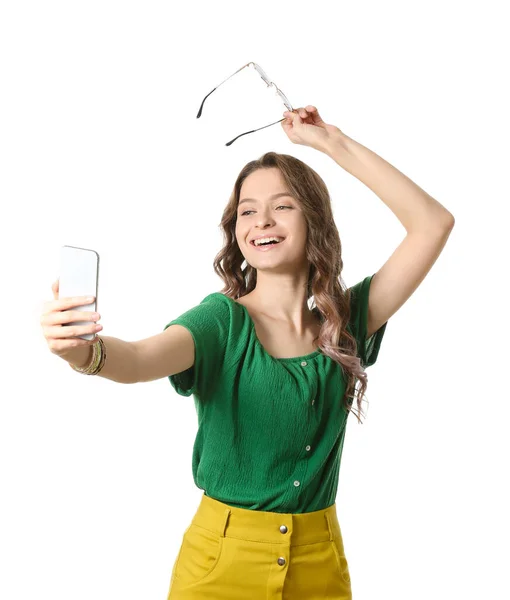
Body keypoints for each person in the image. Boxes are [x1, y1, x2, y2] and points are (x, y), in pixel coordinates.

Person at [40, 106, 455, 599]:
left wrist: (332, 144)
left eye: (282, 206)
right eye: (246, 210)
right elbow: (141, 358)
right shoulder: (221, 321)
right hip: (220, 566)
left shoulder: (347, 322)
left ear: (314, 221)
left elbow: (433, 223)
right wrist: (83, 353)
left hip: (321, 566)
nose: (261, 220)